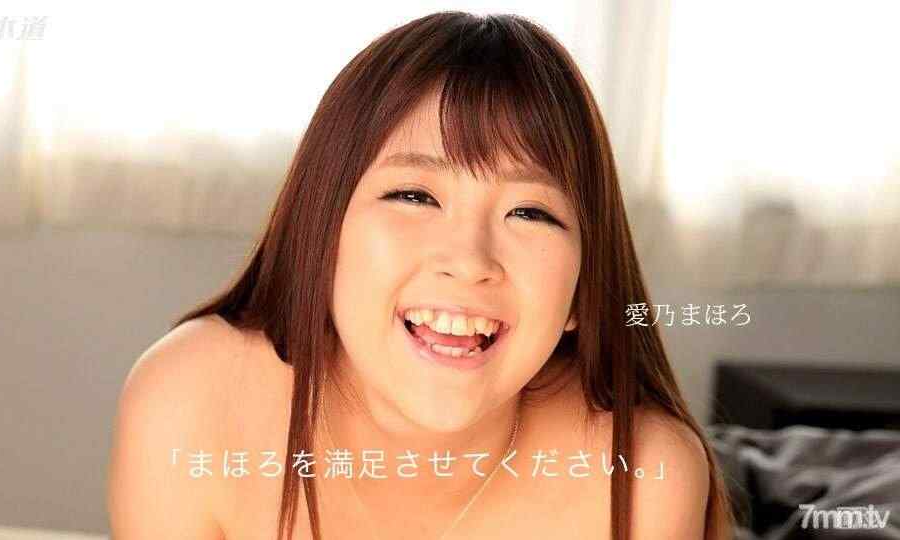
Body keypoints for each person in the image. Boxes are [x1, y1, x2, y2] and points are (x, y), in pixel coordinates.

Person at [107, 11, 736, 540]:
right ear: (321, 232)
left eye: (530, 212)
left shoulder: (639, 480)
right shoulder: (192, 401)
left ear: (582, 291)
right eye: (414, 196)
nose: (469, 260)